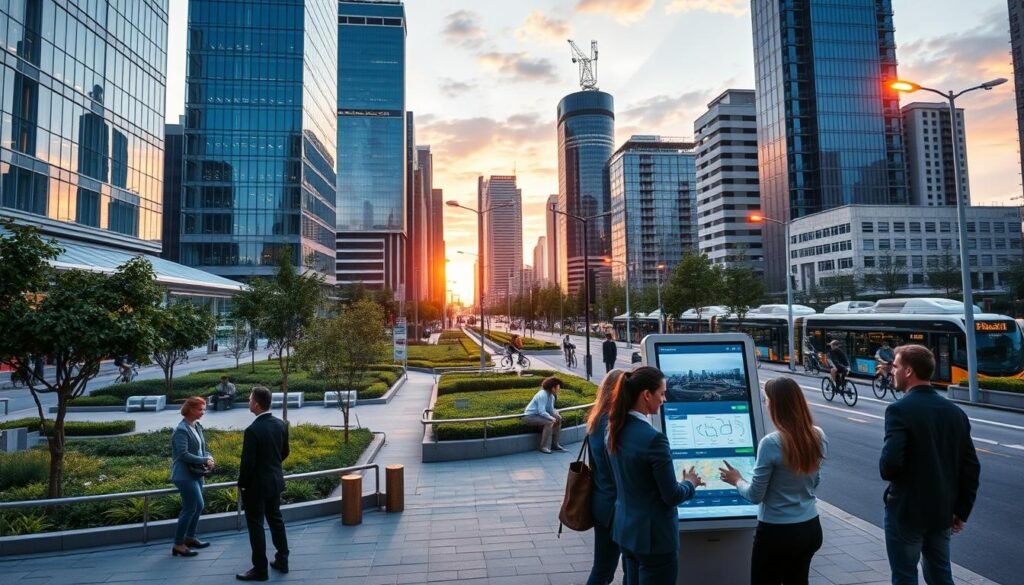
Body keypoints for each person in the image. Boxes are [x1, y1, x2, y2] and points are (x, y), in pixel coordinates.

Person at [880, 345, 980, 585]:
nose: (891, 370)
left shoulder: (899, 410)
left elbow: (889, 465)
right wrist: (960, 510)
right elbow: (971, 467)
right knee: (940, 573)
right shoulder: (955, 412)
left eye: (895, 365)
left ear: (908, 371)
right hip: (942, 512)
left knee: (905, 576)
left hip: (907, 511)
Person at [719, 377, 827, 584]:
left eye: (767, 399)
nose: (766, 403)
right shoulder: (817, 435)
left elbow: (755, 495)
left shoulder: (771, 443)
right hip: (810, 527)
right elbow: (815, 481)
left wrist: (737, 480)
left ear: (776, 405)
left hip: (777, 532)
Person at [606, 366, 704, 584]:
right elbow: (671, 495)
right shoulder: (654, 440)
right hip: (655, 540)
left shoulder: (614, 430)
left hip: (626, 531)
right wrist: (690, 483)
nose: (664, 399)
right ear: (646, 395)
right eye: (662, 393)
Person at [236, 386, 291, 582]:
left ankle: (260, 569)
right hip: (275, 482)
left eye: (250, 399)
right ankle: (282, 560)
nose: (248, 402)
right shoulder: (281, 424)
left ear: (257, 404)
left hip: (255, 486)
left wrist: (242, 484)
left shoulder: (252, 430)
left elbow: (247, 463)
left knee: (256, 525)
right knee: (276, 520)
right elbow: (284, 452)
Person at [586, 369, 626, 585]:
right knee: (610, 570)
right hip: (616, 507)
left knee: (602, 568)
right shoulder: (613, 423)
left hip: (601, 501)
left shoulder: (596, 418)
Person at [170, 396, 214, 558]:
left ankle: (189, 538)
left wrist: (209, 458)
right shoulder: (181, 430)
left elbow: (203, 448)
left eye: (203, 409)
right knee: (190, 508)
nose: (203, 412)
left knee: (199, 506)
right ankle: (178, 544)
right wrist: (204, 460)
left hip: (196, 473)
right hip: (184, 475)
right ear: (190, 410)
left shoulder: (197, 426)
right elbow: (183, 455)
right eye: (200, 409)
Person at [523, 376, 566, 453]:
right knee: (549, 422)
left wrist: (556, 415)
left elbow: (550, 410)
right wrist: (551, 418)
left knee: (558, 419)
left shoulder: (551, 396)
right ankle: (543, 446)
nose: (559, 389)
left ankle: (555, 444)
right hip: (530, 417)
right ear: (553, 388)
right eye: (558, 387)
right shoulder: (542, 394)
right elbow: (541, 411)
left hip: (539, 416)